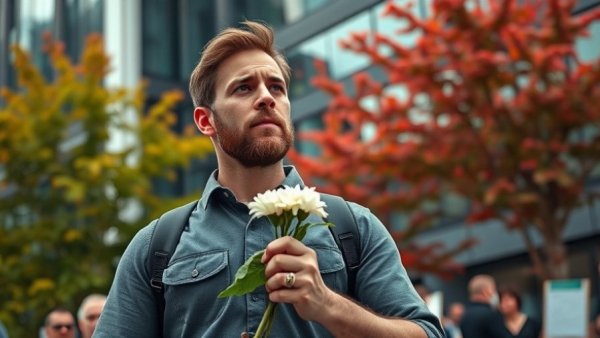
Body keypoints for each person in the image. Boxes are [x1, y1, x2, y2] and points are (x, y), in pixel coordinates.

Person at [94, 20, 443, 337]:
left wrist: (328, 305)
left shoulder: (354, 227)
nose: (266, 98)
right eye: (243, 89)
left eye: (276, 88)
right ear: (205, 121)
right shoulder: (157, 246)